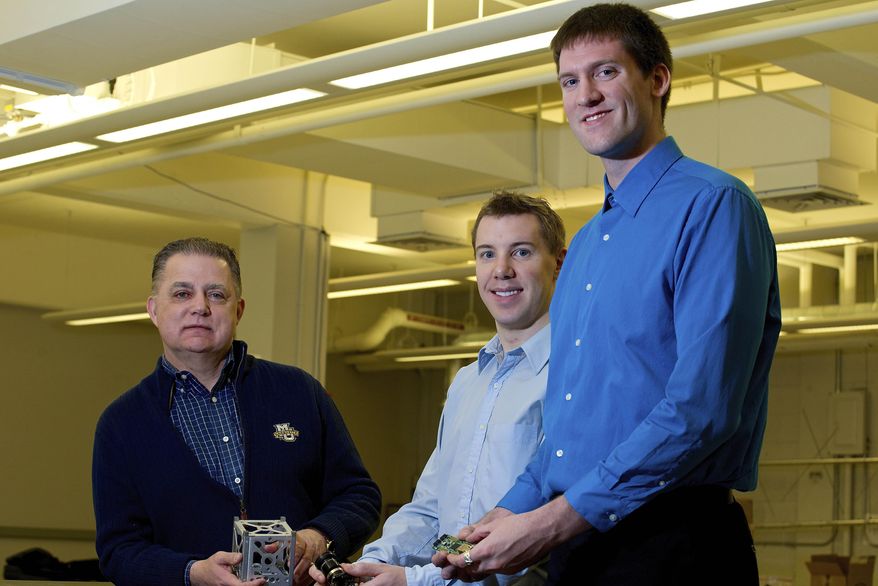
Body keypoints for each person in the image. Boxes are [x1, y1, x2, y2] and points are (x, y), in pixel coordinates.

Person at [434, 4, 781, 586]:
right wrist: (500, 519)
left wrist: (551, 523)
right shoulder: (588, 244)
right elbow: (564, 439)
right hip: (579, 551)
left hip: (672, 549)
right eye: (570, 80)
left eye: (606, 72)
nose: (585, 95)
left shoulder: (714, 206)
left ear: (658, 79)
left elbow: (701, 411)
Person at [92, 237, 381, 586]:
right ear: (154, 309)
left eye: (216, 294)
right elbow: (119, 551)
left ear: (238, 310)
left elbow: (360, 496)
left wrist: (317, 537)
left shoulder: (299, 392)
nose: (200, 306)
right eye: (182, 293)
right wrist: (192, 572)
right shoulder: (122, 424)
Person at [311, 192, 566, 586]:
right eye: (487, 254)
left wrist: (415, 580)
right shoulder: (468, 382)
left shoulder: (572, 375)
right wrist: (371, 564)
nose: (501, 270)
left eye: (521, 252)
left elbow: (544, 530)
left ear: (558, 264)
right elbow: (433, 510)